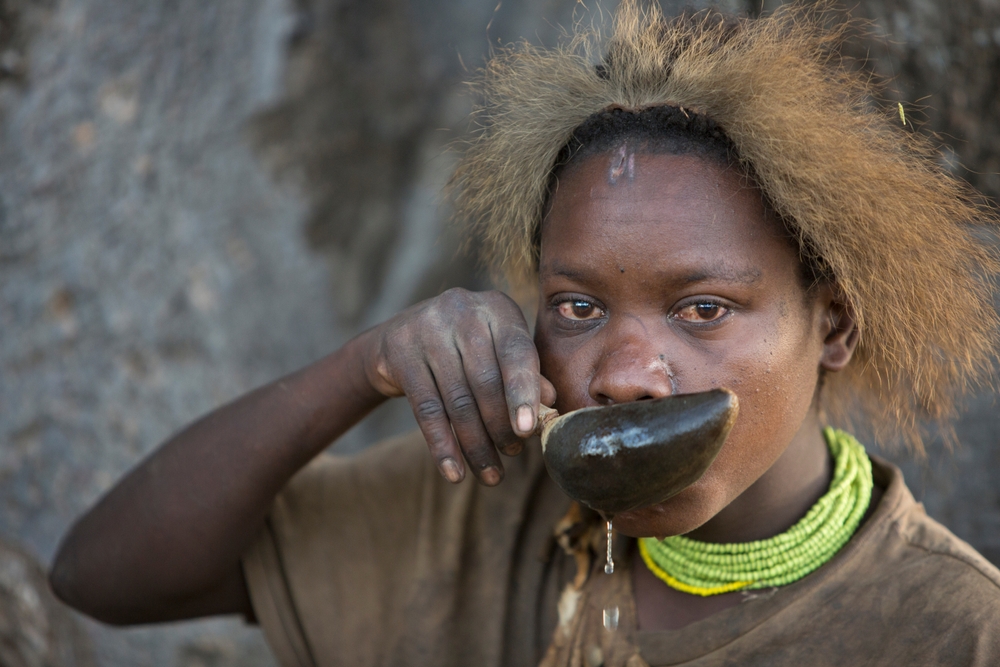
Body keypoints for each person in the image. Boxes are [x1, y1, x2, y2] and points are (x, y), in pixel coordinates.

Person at [49, 2, 1000, 665]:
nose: (623, 376)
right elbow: (102, 576)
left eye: (703, 308)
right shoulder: (481, 509)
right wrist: (362, 366)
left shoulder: (952, 630)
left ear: (833, 322)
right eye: (578, 308)